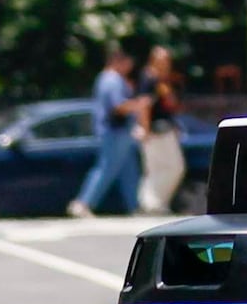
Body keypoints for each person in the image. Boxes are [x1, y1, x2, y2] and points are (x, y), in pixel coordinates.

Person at [80, 41, 144, 216]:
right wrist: (138, 105)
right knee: (106, 168)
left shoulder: (105, 78)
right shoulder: (112, 79)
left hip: (119, 131)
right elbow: (118, 106)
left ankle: (134, 206)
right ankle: (83, 203)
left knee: (129, 171)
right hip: (115, 130)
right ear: (118, 61)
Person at [138, 45, 187, 216]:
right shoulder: (150, 78)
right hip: (156, 130)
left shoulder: (161, 81)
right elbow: (144, 105)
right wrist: (144, 129)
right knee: (174, 167)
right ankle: (152, 202)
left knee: (159, 168)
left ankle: (155, 202)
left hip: (164, 127)